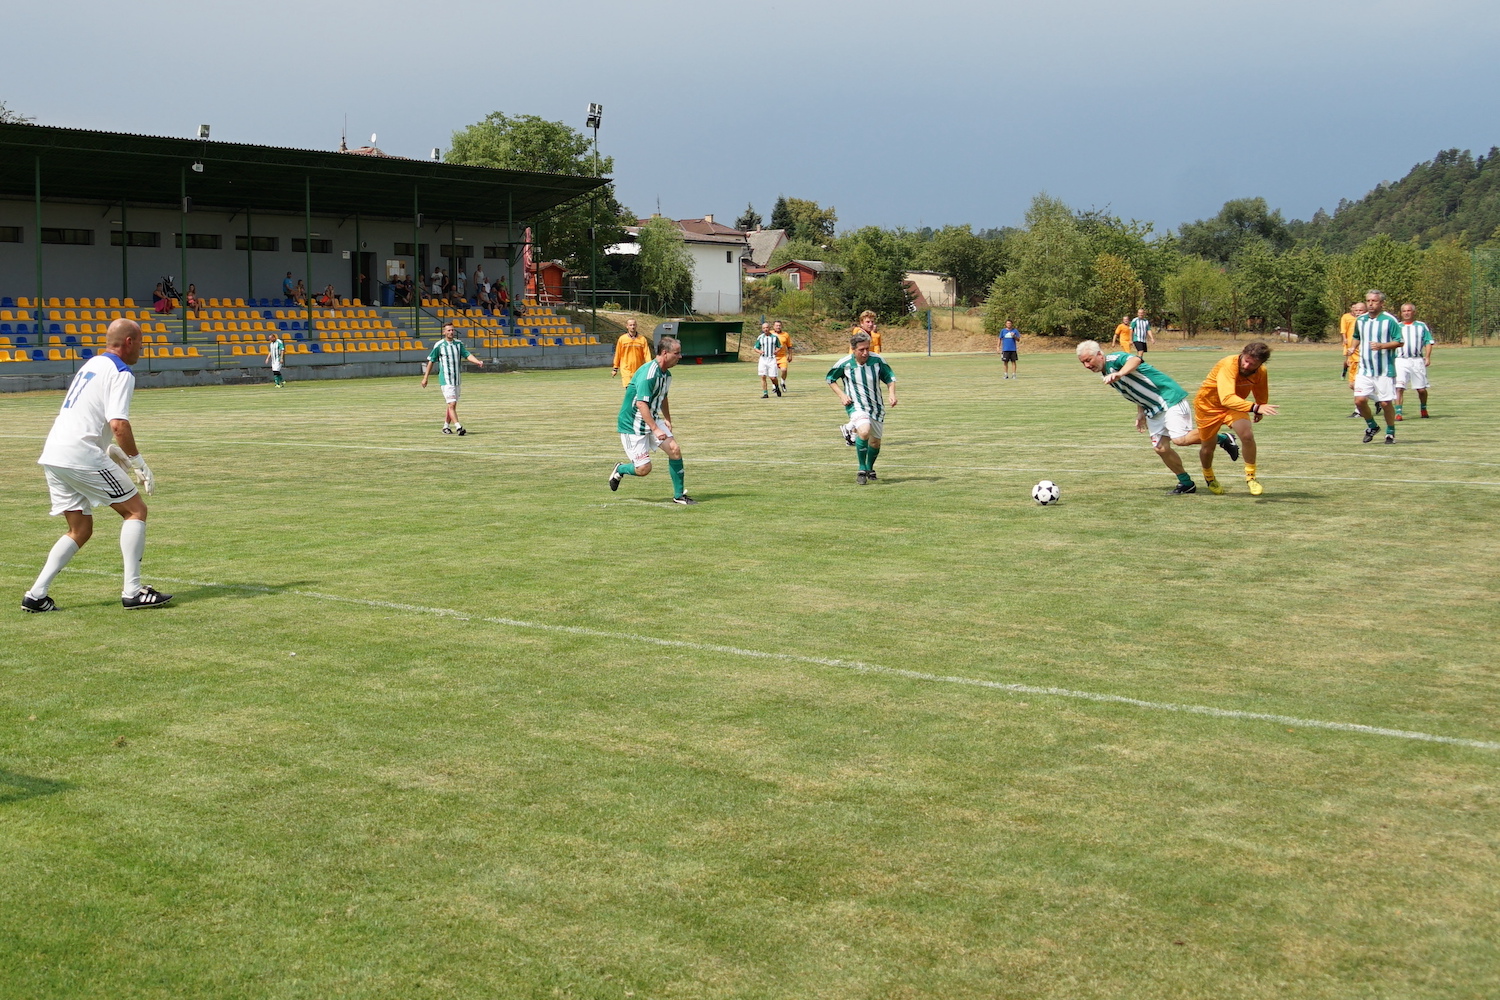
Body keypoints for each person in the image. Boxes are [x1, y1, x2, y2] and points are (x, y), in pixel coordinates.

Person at [21, 318, 171, 612]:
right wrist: (138, 462)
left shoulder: (92, 365)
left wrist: (109, 450)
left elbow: (87, 415)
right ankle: (133, 591)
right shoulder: (121, 372)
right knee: (135, 511)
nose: (142, 348)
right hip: (81, 454)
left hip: (54, 453)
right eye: (140, 342)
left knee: (80, 528)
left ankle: (36, 595)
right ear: (128, 342)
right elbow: (118, 424)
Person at [1075, 340, 1237, 495]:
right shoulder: (1106, 372)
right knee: (1161, 448)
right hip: (1152, 409)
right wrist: (1140, 412)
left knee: (1180, 439)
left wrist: (1120, 373)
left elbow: (1136, 359)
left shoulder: (1114, 359)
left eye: (1089, 360)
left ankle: (1223, 438)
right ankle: (1186, 483)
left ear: (1099, 354)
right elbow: (1136, 390)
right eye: (1083, 363)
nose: (1087, 365)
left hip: (1168, 398)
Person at [608, 335, 695, 504]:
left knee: (674, 450)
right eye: (677, 353)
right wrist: (655, 429)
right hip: (632, 424)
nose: (680, 356)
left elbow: (663, 397)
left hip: (651, 417)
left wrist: (667, 419)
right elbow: (641, 404)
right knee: (644, 469)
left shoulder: (666, 375)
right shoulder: (649, 374)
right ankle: (620, 469)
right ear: (665, 353)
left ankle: (679, 496)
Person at [1193, 343, 1280, 495]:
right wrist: (1255, 407)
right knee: (1207, 448)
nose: (1246, 366)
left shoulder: (1261, 371)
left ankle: (1251, 477)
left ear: (1260, 364)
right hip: (1208, 407)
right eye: (1246, 361)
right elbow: (1226, 398)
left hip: (1234, 406)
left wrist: (1261, 405)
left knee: (1247, 435)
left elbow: (1260, 390)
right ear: (1242, 354)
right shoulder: (1228, 364)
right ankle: (1209, 477)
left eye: (1252, 364)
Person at [828, 330, 898, 485]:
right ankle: (861, 469)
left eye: (867, 348)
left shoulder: (877, 360)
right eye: (861, 350)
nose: (865, 353)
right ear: (853, 349)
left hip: (876, 406)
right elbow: (830, 379)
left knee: (875, 443)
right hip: (856, 405)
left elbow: (890, 378)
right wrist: (842, 395)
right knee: (864, 431)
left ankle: (869, 468)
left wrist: (892, 394)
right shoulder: (845, 363)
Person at [1352, 289, 1402, 444]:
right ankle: (1372, 426)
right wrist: (1352, 347)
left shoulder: (1389, 320)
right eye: (1368, 301)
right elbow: (1356, 336)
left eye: (1374, 301)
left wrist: (1382, 346)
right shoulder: (1361, 320)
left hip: (1384, 370)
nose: (1370, 304)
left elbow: (1399, 341)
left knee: (1386, 403)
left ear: (1381, 303)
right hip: (1365, 369)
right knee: (1359, 401)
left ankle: (1390, 432)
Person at [421, 323, 485, 434]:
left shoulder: (458, 344)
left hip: (457, 379)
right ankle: (458, 427)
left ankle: (446, 427)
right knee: (452, 404)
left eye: (452, 330)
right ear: (444, 332)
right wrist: (425, 377)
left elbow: (467, 355)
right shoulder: (439, 345)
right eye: (449, 330)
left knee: (451, 404)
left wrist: (477, 362)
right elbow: (431, 361)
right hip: (446, 379)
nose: (451, 332)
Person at [1395, 302, 1433, 419]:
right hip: (1400, 360)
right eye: (1404, 311)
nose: (1406, 313)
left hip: (1416, 360)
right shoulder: (1397, 326)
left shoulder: (1421, 326)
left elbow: (1428, 341)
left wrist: (1427, 357)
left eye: (1409, 310)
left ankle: (1423, 408)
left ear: (1413, 312)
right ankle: (1398, 413)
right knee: (1399, 387)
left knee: (1421, 389)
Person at [1340, 301, 1365, 416]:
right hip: (1353, 358)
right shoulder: (1353, 322)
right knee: (1352, 385)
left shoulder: (1367, 324)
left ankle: (1358, 410)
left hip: (1362, 360)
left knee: (1358, 385)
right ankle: (1377, 400)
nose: (1358, 312)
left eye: (1361, 310)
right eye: (1356, 310)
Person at [611, 318, 652, 386]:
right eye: (630, 325)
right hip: (626, 368)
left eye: (634, 325)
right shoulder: (622, 339)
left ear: (636, 326)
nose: (632, 327)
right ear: (627, 326)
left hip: (639, 369)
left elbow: (647, 354)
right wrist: (615, 368)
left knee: (637, 388)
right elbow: (618, 354)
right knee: (629, 387)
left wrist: (649, 366)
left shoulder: (642, 339)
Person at [755, 322, 782, 397]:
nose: (765, 329)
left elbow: (779, 346)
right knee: (763, 376)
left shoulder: (774, 337)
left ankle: (777, 387)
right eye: (764, 328)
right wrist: (759, 351)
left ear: (769, 328)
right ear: (762, 329)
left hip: (771, 359)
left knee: (773, 377)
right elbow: (756, 348)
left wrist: (776, 351)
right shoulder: (760, 337)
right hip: (763, 359)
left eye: (767, 327)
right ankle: (765, 393)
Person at [773, 319, 792, 394]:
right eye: (776, 325)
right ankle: (774, 386)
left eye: (779, 325)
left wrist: (790, 355)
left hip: (782, 356)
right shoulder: (770, 334)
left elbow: (789, 346)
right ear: (774, 326)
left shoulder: (785, 334)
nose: (778, 327)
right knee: (773, 373)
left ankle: (782, 382)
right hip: (772, 357)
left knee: (784, 370)